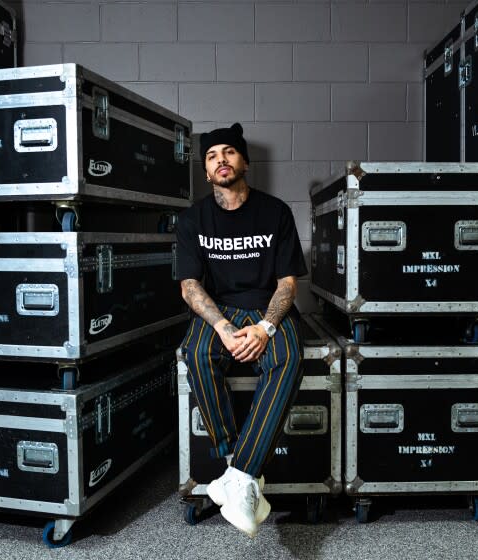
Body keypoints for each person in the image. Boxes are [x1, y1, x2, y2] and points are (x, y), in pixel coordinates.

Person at [175, 123, 307, 538]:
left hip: (266, 306)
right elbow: (189, 285)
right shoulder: (193, 218)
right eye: (212, 156)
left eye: (229, 153)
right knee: (196, 353)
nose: (221, 161)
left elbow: (287, 283)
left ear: (244, 161)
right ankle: (239, 467)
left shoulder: (275, 211)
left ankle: (237, 477)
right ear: (206, 170)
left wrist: (266, 327)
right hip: (220, 312)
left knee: (289, 356)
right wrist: (223, 327)